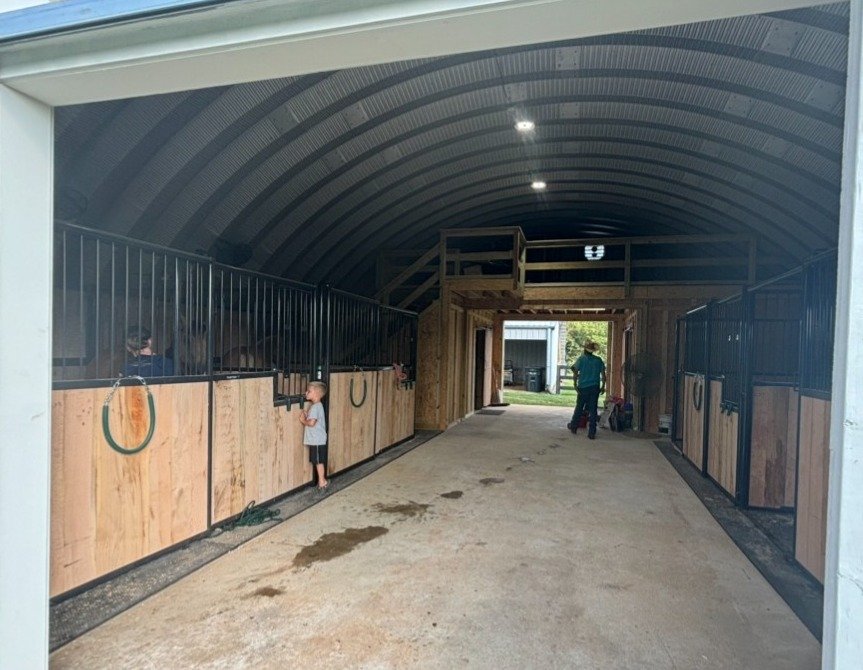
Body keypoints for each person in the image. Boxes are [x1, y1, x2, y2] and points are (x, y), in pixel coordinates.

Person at [567, 340, 607, 439]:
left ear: (585, 350)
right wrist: (603, 386)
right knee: (593, 410)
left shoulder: (581, 359)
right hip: (595, 387)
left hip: (583, 387)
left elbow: (575, 371)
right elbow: (603, 374)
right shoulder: (598, 360)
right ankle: (592, 432)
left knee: (579, 408)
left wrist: (575, 384)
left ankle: (574, 426)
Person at [299, 381, 329, 491]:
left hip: (317, 440)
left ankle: (322, 482)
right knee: (317, 461)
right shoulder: (317, 406)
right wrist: (308, 416)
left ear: (316, 393)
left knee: (318, 462)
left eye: (309, 391)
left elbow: (312, 423)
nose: (306, 392)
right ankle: (322, 481)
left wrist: (303, 420)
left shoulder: (316, 407)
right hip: (317, 440)